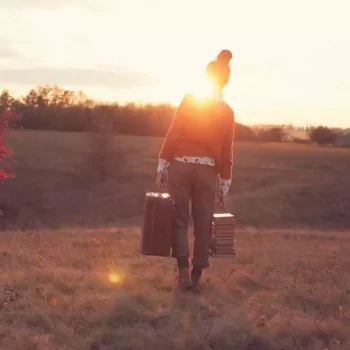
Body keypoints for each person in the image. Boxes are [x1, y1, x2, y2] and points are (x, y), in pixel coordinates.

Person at [156, 49, 235, 292]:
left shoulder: (190, 100)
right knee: (203, 222)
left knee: (178, 219)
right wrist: (224, 187)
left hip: (180, 165)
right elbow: (226, 152)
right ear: (225, 81)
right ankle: (196, 273)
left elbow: (174, 132)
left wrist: (162, 164)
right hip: (207, 172)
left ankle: (182, 273)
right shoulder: (227, 112)